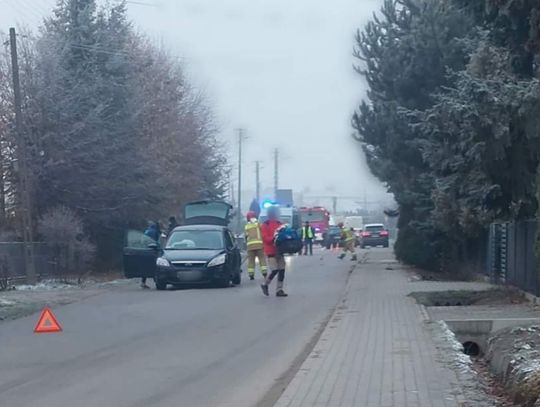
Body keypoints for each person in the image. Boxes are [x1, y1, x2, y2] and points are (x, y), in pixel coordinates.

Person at [260, 206, 288, 297]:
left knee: (282, 270)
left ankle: (279, 289)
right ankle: (265, 284)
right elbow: (265, 238)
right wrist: (274, 239)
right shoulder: (265, 225)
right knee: (275, 270)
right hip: (271, 251)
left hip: (279, 251)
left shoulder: (279, 224)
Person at [244, 211, 268, 281]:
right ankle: (264, 273)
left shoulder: (246, 226)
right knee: (262, 259)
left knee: (251, 261)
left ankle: (251, 275)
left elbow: (245, 237)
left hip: (250, 246)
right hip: (259, 245)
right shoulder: (258, 225)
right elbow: (263, 234)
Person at [141, 221, 160, 289]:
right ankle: (157, 281)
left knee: (145, 266)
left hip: (146, 250)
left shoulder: (147, 231)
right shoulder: (155, 232)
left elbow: (142, 240)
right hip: (154, 250)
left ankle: (143, 282)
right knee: (155, 266)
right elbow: (158, 242)